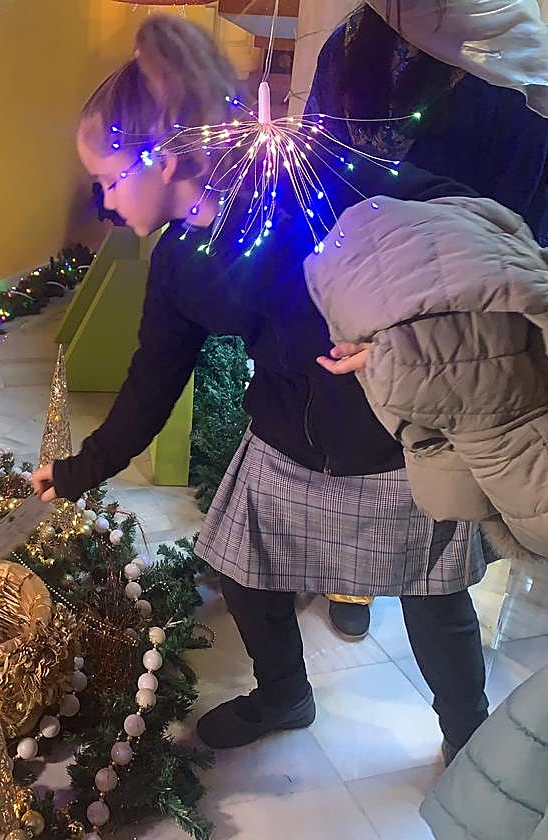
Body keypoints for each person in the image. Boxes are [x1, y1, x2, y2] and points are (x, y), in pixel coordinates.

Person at [31, 16, 491, 762]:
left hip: (394, 443)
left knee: (434, 601)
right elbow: (152, 382)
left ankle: (468, 735)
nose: (103, 203)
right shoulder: (179, 261)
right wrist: (80, 470)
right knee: (244, 570)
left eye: (107, 181)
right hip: (284, 434)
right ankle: (284, 694)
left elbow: (456, 216)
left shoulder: (304, 190)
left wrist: (400, 331)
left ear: (162, 161)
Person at [301, 0, 548, 636]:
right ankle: (346, 575)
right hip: (348, 280)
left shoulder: (511, 56)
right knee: (347, 441)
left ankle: (435, 605)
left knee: (430, 473)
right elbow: (316, 155)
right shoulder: (354, 38)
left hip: (448, 307)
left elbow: (518, 224)